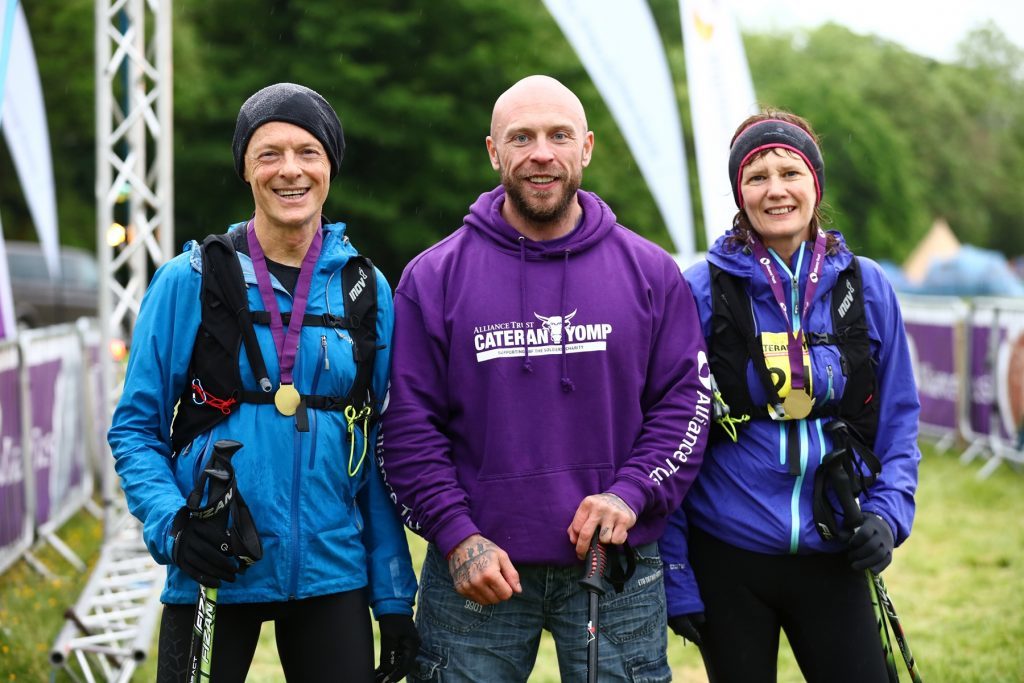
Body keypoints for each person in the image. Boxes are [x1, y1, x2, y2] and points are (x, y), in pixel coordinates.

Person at [378, 74, 710, 682]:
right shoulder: (433, 278)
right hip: (476, 572)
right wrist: (457, 536)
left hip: (615, 566)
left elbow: (684, 407)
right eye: (521, 137)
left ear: (585, 147)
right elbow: (406, 428)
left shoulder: (651, 272)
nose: (541, 153)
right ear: (493, 152)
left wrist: (630, 493)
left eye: (558, 136)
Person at [108, 83, 419, 683]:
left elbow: (378, 450)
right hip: (212, 563)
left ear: (330, 166)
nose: (290, 170)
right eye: (269, 153)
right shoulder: (188, 280)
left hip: (334, 572)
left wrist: (392, 598)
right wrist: (174, 524)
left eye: (307, 152)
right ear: (246, 169)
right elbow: (135, 430)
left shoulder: (365, 288)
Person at [659, 109, 921, 682]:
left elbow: (900, 420)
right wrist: (676, 574)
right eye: (757, 176)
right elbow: (667, 438)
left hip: (835, 546)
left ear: (815, 185)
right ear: (739, 192)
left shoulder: (866, 286)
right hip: (728, 556)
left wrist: (888, 513)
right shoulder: (699, 290)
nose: (775, 189)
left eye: (790, 172)